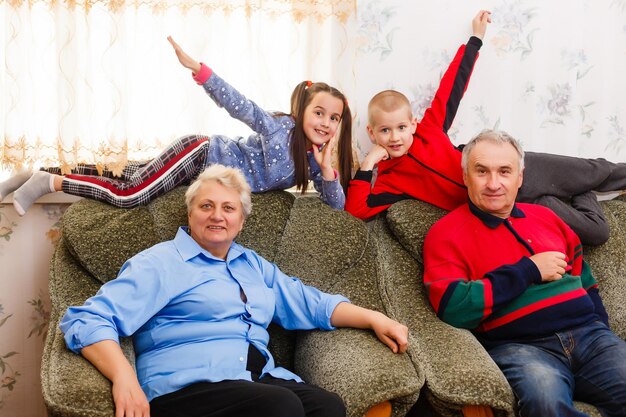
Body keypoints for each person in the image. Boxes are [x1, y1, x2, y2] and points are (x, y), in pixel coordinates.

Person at [59, 164, 409, 417]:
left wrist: (374, 317)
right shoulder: (162, 262)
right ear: (191, 213)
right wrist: (123, 378)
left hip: (254, 382)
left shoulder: (251, 265)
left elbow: (309, 303)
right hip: (184, 388)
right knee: (280, 406)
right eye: (206, 206)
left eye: (228, 208)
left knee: (326, 406)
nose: (217, 216)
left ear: (241, 221)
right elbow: (88, 318)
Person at [345, 10, 626, 246]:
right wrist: (368, 164)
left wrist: (475, 40)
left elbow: (452, 86)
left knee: (596, 171)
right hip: (510, 206)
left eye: (401, 127)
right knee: (597, 233)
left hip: (517, 170)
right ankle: (579, 191)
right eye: (385, 131)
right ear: (372, 133)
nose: (395, 137)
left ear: (413, 124)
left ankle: (582, 183)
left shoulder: (429, 129)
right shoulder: (390, 181)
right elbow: (356, 211)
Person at [0, 36, 353, 215]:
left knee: (128, 174)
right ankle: (49, 182)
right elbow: (240, 106)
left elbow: (336, 208)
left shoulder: (314, 163)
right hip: (201, 154)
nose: (325, 122)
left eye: (333, 118)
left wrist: (327, 169)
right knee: (130, 195)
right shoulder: (281, 128)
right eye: (319, 112)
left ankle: (36, 171)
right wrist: (201, 72)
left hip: (202, 169)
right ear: (303, 110)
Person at [423, 130, 626, 417]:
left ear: (519, 177)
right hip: (521, 347)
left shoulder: (545, 216)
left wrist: (601, 329)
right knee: (545, 404)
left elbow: (586, 281)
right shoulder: (445, 234)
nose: (494, 183)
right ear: (465, 176)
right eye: (482, 172)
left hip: (590, 337)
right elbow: (453, 307)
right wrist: (528, 270)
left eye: (504, 171)